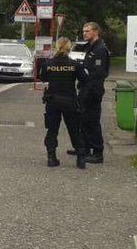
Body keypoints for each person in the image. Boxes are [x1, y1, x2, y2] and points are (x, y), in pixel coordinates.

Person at [68, 21, 110, 163]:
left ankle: (97, 152)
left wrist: (88, 88)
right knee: (83, 119)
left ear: (95, 32)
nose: (84, 33)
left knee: (92, 121)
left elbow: (98, 73)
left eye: (87, 31)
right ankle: (84, 148)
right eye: (83, 31)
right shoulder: (91, 47)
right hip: (86, 88)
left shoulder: (100, 49)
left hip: (93, 90)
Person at [41, 37, 86, 169]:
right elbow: (83, 79)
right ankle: (81, 159)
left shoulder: (48, 63)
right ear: (69, 48)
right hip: (70, 100)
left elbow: (43, 78)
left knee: (52, 130)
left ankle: (51, 157)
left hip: (53, 100)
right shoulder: (74, 64)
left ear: (57, 47)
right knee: (74, 130)